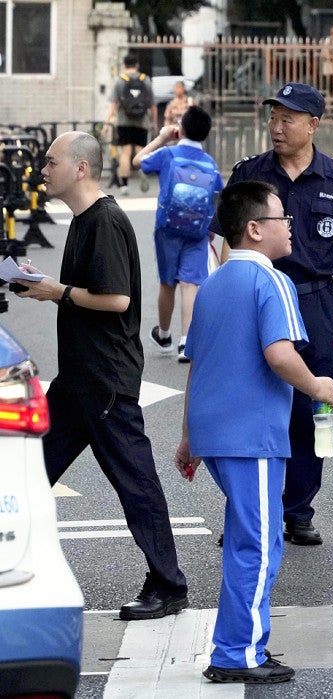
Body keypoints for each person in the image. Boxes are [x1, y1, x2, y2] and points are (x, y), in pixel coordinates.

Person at [15, 131, 188, 620]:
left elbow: (117, 300)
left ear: (81, 168)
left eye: (51, 162)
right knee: (24, 474)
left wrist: (57, 292)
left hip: (105, 380)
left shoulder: (106, 221)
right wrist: (43, 285)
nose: (42, 170)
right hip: (77, 380)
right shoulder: (83, 219)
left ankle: (169, 586)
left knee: (137, 485)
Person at [176, 181, 333, 684]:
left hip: (215, 432)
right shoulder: (273, 282)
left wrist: (188, 438)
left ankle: (239, 645)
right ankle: (237, 654)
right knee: (260, 545)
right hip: (253, 436)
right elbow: (280, 354)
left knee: (248, 539)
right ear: (254, 229)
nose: (289, 226)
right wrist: (319, 385)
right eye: (280, 219)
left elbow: (197, 364)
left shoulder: (216, 283)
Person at [212, 82, 333, 546]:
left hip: (315, 302)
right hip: (259, 296)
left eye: (288, 119)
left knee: (312, 407)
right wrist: (229, 299)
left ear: (313, 125)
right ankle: (246, 510)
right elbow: (228, 243)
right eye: (273, 117)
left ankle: (298, 509)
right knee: (251, 407)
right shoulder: (250, 174)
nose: (276, 127)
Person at [133, 106, 225, 363]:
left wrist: (162, 137)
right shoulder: (210, 164)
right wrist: (210, 230)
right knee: (190, 285)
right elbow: (217, 197)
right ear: (205, 135)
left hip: (167, 229)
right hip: (198, 232)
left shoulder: (169, 154)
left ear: (180, 129)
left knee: (168, 283)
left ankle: (164, 335)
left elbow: (137, 161)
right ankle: (186, 342)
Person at [101, 54, 153, 196]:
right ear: (137, 65)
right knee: (140, 150)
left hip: (124, 121)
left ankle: (124, 185)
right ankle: (142, 170)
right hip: (142, 121)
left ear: (124, 65)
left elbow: (113, 104)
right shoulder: (145, 80)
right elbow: (151, 104)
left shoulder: (120, 81)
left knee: (125, 152)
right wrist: (153, 123)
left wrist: (107, 125)